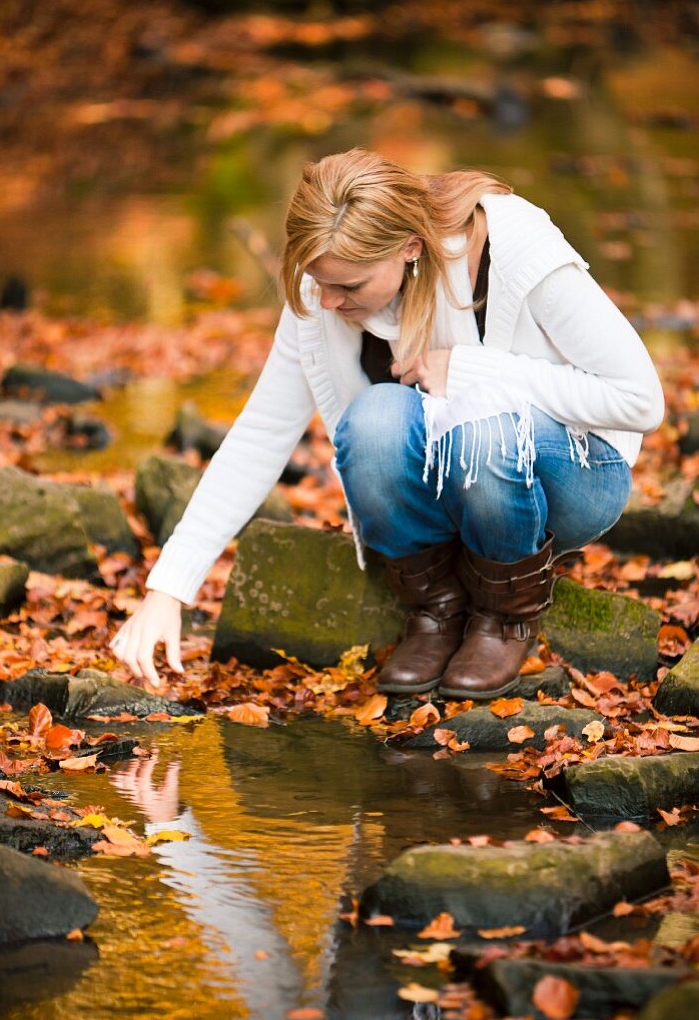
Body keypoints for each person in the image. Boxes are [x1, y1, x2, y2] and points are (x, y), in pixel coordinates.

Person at [110, 148, 664, 700]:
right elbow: (261, 432)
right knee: (372, 419)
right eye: (317, 281)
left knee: (483, 422)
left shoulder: (514, 244)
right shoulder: (323, 281)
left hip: (577, 476)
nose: (327, 301)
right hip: (455, 486)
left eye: (349, 287)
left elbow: (641, 400)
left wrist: (473, 371)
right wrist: (168, 588)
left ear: (409, 247)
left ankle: (504, 618)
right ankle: (437, 609)